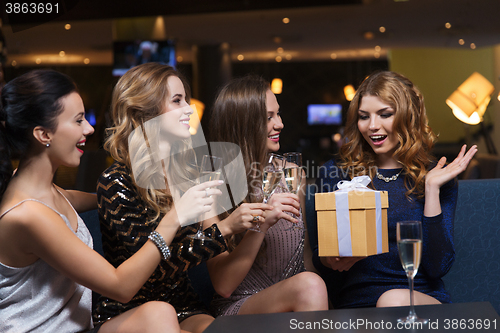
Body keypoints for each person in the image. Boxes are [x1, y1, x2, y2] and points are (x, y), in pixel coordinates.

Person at [0, 69, 214, 333]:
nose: (89, 128)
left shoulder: (39, 189)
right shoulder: (28, 215)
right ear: (44, 134)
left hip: (83, 327)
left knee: (169, 315)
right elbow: (121, 287)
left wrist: (132, 193)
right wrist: (175, 216)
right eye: (78, 121)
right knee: (160, 312)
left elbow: (77, 198)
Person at [93, 63, 259, 333]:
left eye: (187, 100)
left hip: (184, 306)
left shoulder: (189, 174)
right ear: (146, 111)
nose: (189, 110)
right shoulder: (116, 181)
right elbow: (150, 272)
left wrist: (250, 223)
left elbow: (197, 258)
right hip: (127, 312)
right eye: (177, 100)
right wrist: (219, 226)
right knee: (162, 315)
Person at [312, 70, 477, 309]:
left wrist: (431, 189)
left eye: (385, 114)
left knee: (392, 300)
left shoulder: (435, 176)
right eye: (364, 116)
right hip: (357, 304)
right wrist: (332, 258)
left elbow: (438, 266)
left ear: (407, 116)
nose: (372, 126)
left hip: (419, 300)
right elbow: (321, 256)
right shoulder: (336, 173)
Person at [207, 75, 328, 316]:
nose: (280, 124)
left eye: (278, 114)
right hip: (241, 307)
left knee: (312, 285)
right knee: (309, 286)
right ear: (243, 123)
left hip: (298, 301)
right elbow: (223, 285)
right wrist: (260, 225)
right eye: (268, 117)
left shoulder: (293, 173)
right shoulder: (212, 187)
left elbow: (304, 260)